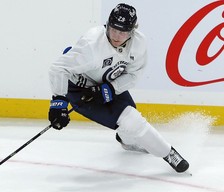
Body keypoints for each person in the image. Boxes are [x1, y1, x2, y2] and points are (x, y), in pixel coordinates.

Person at [48, 3, 189, 173]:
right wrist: (58, 102)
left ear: (132, 31)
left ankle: (127, 142)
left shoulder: (139, 43)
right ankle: (169, 153)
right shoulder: (92, 44)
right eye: (114, 29)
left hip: (108, 84)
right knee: (131, 120)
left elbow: (133, 75)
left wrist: (110, 89)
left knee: (130, 119)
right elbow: (59, 68)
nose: (116, 36)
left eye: (123, 32)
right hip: (80, 89)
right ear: (107, 24)